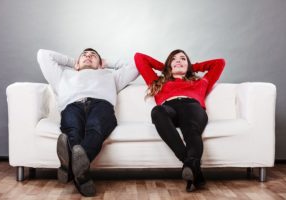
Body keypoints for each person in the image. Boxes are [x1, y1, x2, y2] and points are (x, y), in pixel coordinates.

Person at [37, 48, 138, 196]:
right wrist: (74, 62)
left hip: (101, 105)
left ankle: (69, 168)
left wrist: (107, 62)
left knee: (95, 128)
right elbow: (43, 54)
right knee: (73, 131)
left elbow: (136, 66)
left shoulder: (111, 76)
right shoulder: (63, 75)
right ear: (77, 64)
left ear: (100, 62)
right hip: (72, 106)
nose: (88, 56)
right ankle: (82, 177)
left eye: (93, 55)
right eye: (84, 55)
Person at [134, 49, 225, 192]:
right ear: (169, 64)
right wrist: (165, 67)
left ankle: (193, 170)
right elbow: (139, 58)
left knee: (191, 130)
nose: (178, 61)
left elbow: (219, 63)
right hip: (169, 107)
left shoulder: (201, 82)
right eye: (174, 59)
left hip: (192, 107)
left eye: (183, 59)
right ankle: (193, 167)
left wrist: (190, 67)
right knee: (157, 111)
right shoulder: (157, 82)